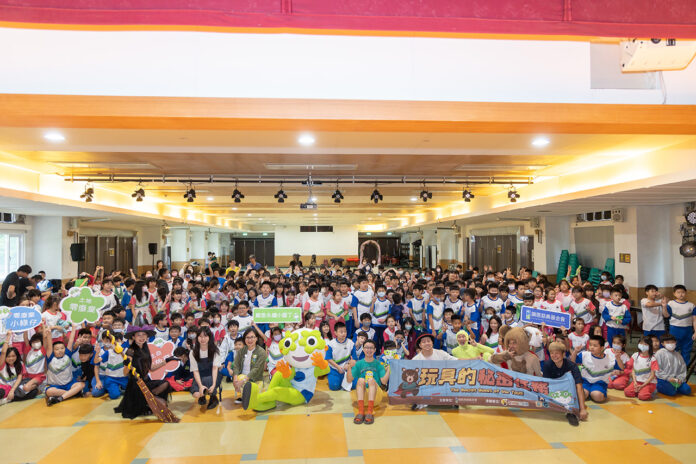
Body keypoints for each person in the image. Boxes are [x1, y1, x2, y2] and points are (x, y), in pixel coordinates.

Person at [114, 325, 172, 419]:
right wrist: (128, 364)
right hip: (136, 384)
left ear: (147, 336)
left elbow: (151, 368)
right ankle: (146, 401)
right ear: (133, 337)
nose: (142, 337)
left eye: (144, 334)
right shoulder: (131, 351)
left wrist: (165, 361)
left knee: (165, 384)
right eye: (138, 335)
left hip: (146, 381)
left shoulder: (145, 348)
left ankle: (148, 399)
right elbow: (125, 373)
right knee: (162, 404)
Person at [543, 341, 588, 426]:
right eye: (552, 353)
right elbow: (546, 385)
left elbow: (579, 386)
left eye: (557, 353)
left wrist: (582, 409)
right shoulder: (547, 365)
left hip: (569, 392)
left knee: (583, 393)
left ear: (563, 354)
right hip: (554, 392)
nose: (554, 355)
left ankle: (571, 412)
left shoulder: (572, 366)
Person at [346, 339, 390, 425]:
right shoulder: (359, 363)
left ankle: (370, 412)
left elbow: (384, 382)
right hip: (362, 396)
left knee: (371, 380)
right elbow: (349, 380)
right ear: (363, 349)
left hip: (375, 397)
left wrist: (389, 369)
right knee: (361, 380)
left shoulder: (378, 364)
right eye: (366, 347)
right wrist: (349, 367)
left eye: (371, 348)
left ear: (375, 350)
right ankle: (361, 412)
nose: (369, 350)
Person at [190, 326, 224, 410]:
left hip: (214, 375)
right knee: (196, 394)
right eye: (200, 336)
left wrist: (213, 384)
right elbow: (195, 371)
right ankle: (203, 394)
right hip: (200, 376)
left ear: (209, 337)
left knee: (208, 380)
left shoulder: (215, 350)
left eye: (205, 336)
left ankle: (213, 397)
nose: (203, 339)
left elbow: (215, 368)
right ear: (197, 337)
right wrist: (200, 386)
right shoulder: (193, 352)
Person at [663, 285, 696, 364]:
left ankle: (685, 367)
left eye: (683, 292)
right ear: (674, 294)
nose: (681, 294)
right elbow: (666, 316)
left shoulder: (691, 305)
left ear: (686, 293)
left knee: (686, 351)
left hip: (688, 331)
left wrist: (695, 332)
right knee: (673, 349)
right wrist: (664, 307)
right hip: (674, 330)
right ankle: (672, 366)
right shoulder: (671, 303)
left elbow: (694, 320)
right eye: (678, 292)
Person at [232, 328, 266, 403]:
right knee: (239, 377)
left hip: (256, 379)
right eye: (247, 337)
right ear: (244, 339)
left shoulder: (262, 352)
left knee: (255, 400)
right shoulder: (241, 351)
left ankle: (247, 396)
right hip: (242, 377)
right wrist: (235, 379)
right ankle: (244, 395)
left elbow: (256, 369)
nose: (250, 340)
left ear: (256, 338)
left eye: (252, 337)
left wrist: (244, 380)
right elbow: (236, 365)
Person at [580, 334, 615, 403]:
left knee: (598, 397)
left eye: (595, 346)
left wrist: (618, 358)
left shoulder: (608, 358)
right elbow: (573, 361)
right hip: (585, 381)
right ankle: (588, 393)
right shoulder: (584, 354)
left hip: (599, 383)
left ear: (602, 348)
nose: (592, 347)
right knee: (581, 395)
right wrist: (575, 352)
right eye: (590, 345)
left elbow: (620, 367)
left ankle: (595, 393)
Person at [624, 336, 658, 401]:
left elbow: (652, 375)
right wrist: (634, 382)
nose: (642, 345)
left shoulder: (653, 359)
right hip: (637, 382)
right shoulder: (635, 355)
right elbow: (633, 370)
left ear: (649, 346)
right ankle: (640, 391)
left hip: (648, 383)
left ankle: (649, 391)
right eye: (641, 343)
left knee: (642, 397)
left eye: (645, 344)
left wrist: (642, 386)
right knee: (627, 392)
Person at [325, 322, 356, 391]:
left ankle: (343, 379)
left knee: (354, 385)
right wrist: (338, 367)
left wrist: (349, 366)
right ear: (335, 333)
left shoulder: (351, 343)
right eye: (341, 332)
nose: (344, 334)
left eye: (345, 331)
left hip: (347, 368)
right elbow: (328, 358)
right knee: (334, 386)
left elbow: (354, 359)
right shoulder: (331, 344)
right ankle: (335, 377)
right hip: (334, 369)